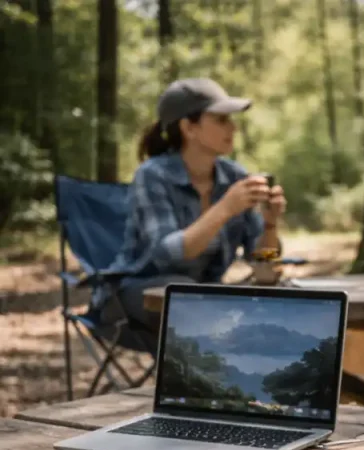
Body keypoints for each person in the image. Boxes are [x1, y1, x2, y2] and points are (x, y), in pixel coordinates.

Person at [96, 77, 286, 346]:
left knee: (280, 303)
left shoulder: (234, 176)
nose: (232, 127)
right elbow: (166, 254)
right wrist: (224, 209)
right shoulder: (152, 175)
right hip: (139, 295)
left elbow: (263, 260)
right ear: (189, 127)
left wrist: (270, 224)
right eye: (221, 119)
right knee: (187, 294)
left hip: (204, 299)